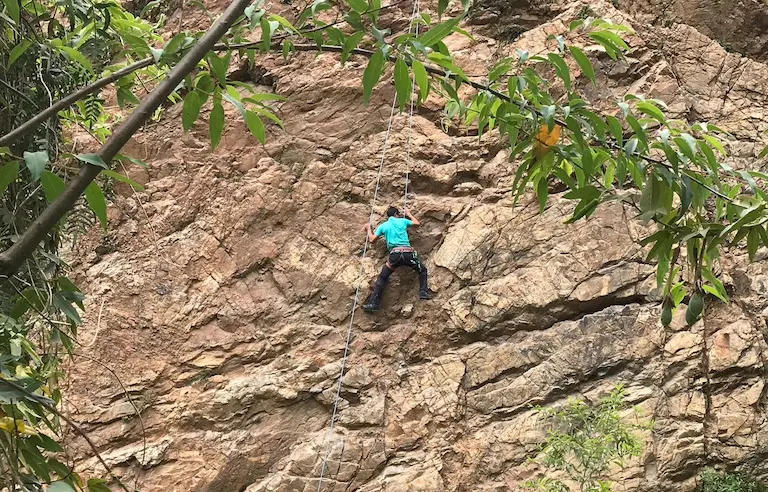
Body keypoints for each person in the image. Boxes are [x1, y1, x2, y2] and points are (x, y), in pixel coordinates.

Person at [362, 206, 433, 313]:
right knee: (422, 270)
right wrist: (408, 214)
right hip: (408, 253)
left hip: (395, 256)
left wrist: (368, 229)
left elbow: (372, 240)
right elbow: (417, 223)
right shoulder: (403, 221)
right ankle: (423, 292)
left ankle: (374, 303)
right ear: (396, 214)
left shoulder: (384, 225)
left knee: (382, 277)